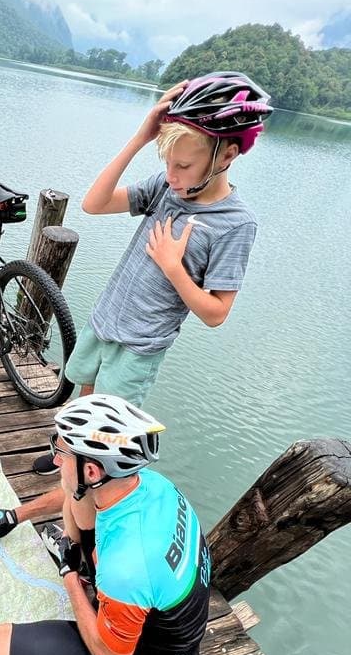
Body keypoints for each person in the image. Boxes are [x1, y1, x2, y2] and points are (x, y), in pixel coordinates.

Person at [32, 71, 273, 476]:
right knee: (80, 402)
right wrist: (140, 138)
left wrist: (173, 267)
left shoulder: (235, 224)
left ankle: (79, 491)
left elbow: (216, 313)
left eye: (183, 165)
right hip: (104, 321)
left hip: (139, 347)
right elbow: (94, 204)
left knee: (104, 434)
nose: (172, 174)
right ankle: (64, 456)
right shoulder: (167, 185)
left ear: (227, 156)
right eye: (167, 163)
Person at [0, 394, 211, 655]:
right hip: (153, 605)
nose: (55, 459)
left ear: (93, 471)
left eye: (61, 452)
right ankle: (86, 582)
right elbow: (73, 491)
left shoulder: (126, 567)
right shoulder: (148, 483)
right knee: (76, 495)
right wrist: (15, 515)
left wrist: (69, 574)